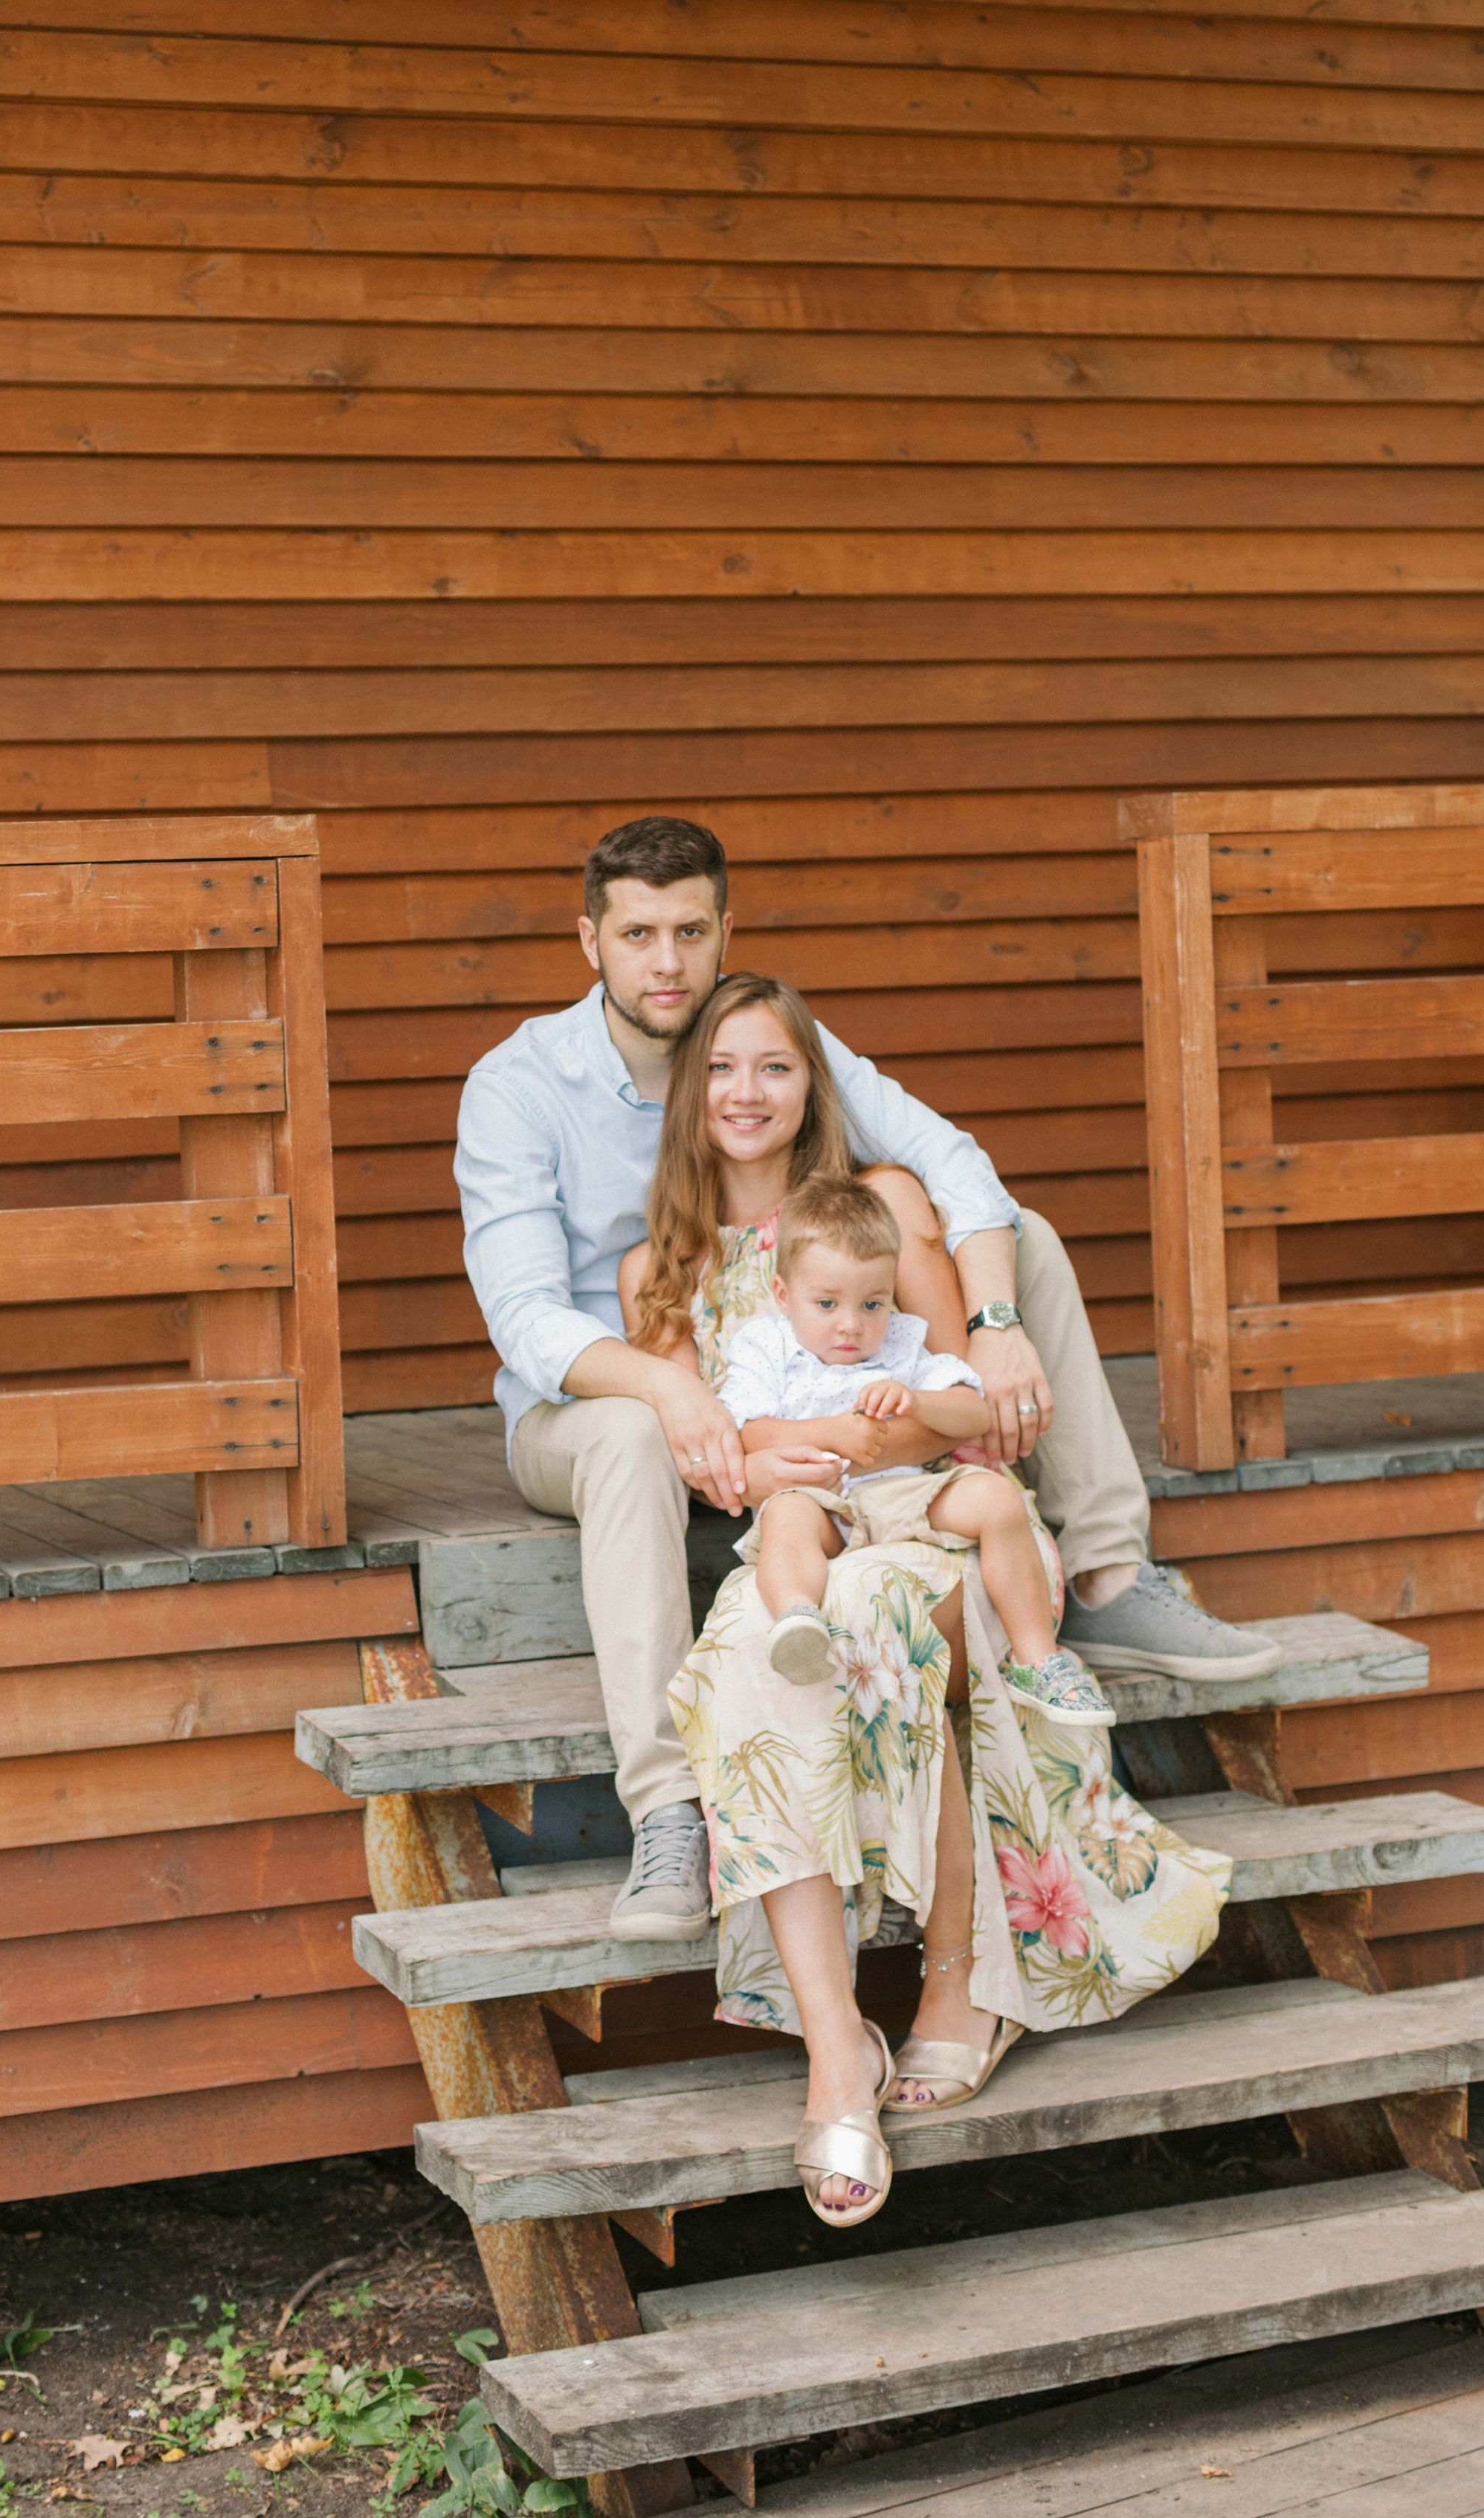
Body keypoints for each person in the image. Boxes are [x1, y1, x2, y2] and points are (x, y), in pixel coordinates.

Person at [454, 814, 1275, 1942]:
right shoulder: (520, 1085)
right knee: (631, 1433)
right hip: (598, 1396)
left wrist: (988, 1321)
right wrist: (674, 1390)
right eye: (638, 933)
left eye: (691, 931)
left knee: (1020, 1234)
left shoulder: (767, 1034)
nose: (667, 962)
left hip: (798, 1346)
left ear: (723, 928)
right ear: (588, 940)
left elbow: (951, 1162)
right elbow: (525, 1318)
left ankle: (1108, 1569)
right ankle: (668, 1812)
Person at [632, 975, 1230, 2227]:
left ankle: (959, 1982)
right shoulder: (662, 1266)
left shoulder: (890, 1207)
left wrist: (844, 1430)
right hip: (798, 1542)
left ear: (812, 1084)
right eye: (723, 1071)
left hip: (925, 1519)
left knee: (882, 1626)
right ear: (690, 1099)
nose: (749, 1093)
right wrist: (765, 1455)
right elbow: (712, 1455)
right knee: (755, 1657)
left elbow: (962, 1410)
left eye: (776, 1068)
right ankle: (836, 2042)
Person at [719, 1171, 1114, 1728]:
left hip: (906, 1494)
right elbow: (746, 1431)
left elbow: (974, 1411)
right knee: (786, 1516)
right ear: (784, 1294)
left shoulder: (903, 1339)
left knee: (995, 1500)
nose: (852, 1326)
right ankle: (798, 1620)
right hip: (822, 1502)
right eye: (827, 1303)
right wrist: (831, 1433)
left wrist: (918, 1401)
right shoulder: (766, 1347)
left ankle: (1038, 1659)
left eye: (873, 1304)